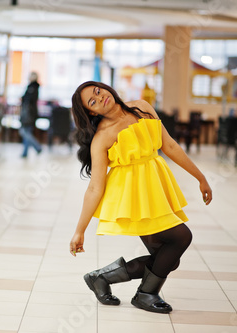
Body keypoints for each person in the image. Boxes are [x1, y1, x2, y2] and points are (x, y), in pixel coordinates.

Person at [69, 81, 212, 314]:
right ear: (91, 112)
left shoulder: (142, 107)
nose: (100, 97)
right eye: (92, 102)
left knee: (166, 259)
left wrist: (200, 177)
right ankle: (146, 294)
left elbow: (170, 146)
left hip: (155, 188)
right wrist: (79, 230)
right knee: (180, 238)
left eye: (98, 91)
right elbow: (95, 187)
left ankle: (101, 278)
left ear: (106, 88)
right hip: (133, 198)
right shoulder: (102, 137)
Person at [19, 72, 42, 157]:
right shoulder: (32, 87)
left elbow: (28, 99)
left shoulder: (33, 87)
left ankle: (37, 147)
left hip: (29, 113)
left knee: (24, 132)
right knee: (26, 132)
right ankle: (25, 152)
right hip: (30, 113)